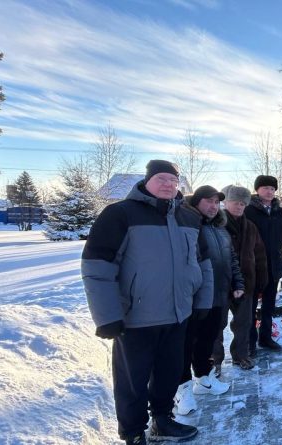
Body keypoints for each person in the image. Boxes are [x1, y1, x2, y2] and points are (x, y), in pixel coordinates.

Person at [82, 160, 212, 444]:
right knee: (133, 381)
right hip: (136, 317)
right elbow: (97, 266)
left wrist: (203, 301)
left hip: (178, 315)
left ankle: (162, 421)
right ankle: (132, 433)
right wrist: (106, 316)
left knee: (169, 373)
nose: (168, 184)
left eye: (173, 180)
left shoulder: (188, 218)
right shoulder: (120, 214)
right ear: (147, 180)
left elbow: (202, 264)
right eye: (161, 178)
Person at [173, 186, 245, 416]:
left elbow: (230, 258)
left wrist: (238, 283)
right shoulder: (188, 225)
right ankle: (181, 389)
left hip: (219, 294)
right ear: (196, 203)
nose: (213, 206)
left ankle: (203, 379)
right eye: (208, 201)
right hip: (194, 296)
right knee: (186, 344)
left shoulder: (219, 228)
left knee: (208, 339)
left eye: (216, 202)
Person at [214, 185, 268, 370]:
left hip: (246, 283)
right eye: (235, 202)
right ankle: (215, 360)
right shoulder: (216, 224)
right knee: (216, 325)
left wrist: (262, 278)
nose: (239, 206)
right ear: (226, 202)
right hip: (219, 284)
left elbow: (260, 254)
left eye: (243, 204)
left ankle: (240, 355)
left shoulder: (250, 227)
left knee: (243, 323)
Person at [244, 175, 282, 352]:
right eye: (265, 188)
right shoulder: (249, 210)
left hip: (274, 266)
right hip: (254, 266)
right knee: (251, 306)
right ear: (257, 190)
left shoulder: (280, 212)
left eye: (272, 189)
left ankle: (266, 338)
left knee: (269, 305)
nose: (269, 192)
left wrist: (276, 249)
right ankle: (249, 342)